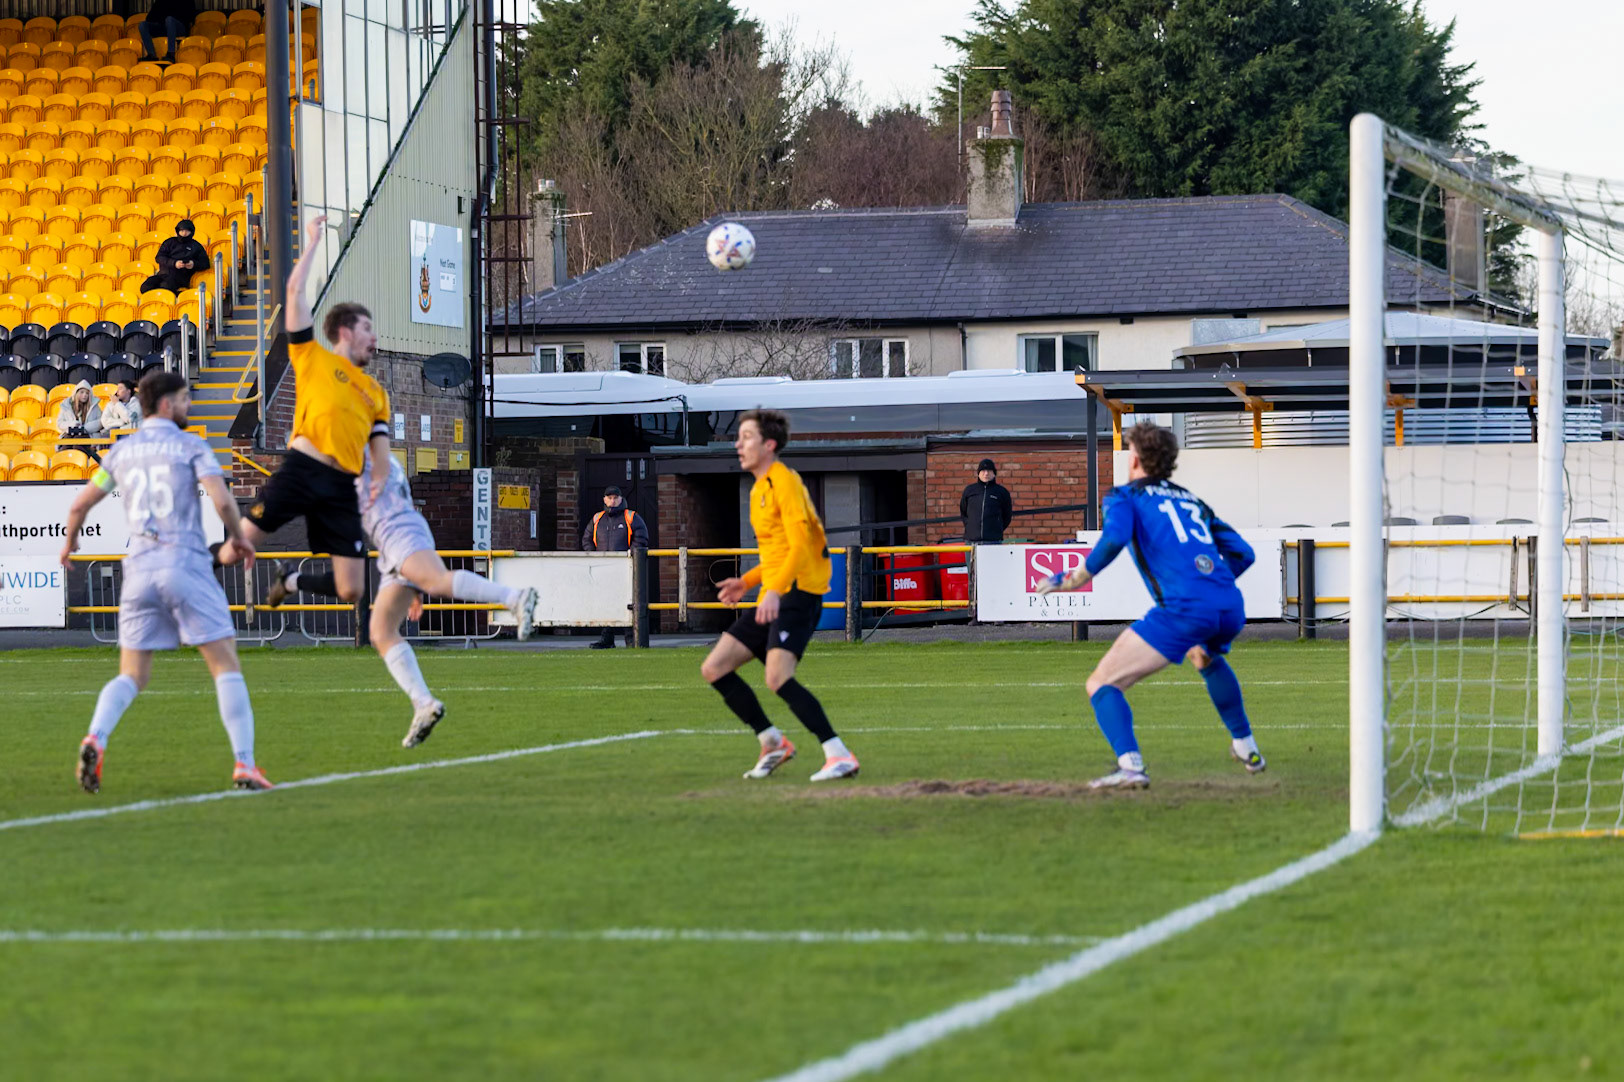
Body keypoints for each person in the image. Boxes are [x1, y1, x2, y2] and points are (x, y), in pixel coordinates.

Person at [59, 370, 273, 794]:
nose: (188, 405)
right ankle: (245, 765)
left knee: (132, 675)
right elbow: (221, 497)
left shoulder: (123, 450)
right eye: (184, 399)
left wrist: (68, 543)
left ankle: (96, 737)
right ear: (165, 404)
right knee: (225, 665)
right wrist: (238, 539)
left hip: (138, 570)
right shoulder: (191, 445)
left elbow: (81, 503)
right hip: (186, 563)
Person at [1036, 421, 1264, 789]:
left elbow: (1113, 538)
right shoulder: (1192, 500)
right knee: (1203, 656)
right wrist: (1210, 585)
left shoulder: (1125, 497)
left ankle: (1130, 767)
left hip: (1187, 608)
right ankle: (1247, 747)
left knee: (1102, 683)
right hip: (1229, 605)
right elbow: (1244, 553)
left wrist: (1074, 577)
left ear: (1136, 459)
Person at [267, 450, 540, 747]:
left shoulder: (353, 454)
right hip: (395, 539)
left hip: (397, 533)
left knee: (437, 581)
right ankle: (423, 703)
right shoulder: (370, 455)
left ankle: (514, 597)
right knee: (381, 631)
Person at [218, 214, 389, 607]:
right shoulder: (312, 356)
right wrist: (312, 241)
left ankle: (291, 582)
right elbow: (294, 291)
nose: (374, 337)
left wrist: (376, 485)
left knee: (353, 589)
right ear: (345, 332)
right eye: (368, 328)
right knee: (235, 549)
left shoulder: (376, 391)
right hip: (302, 470)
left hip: (342, 487)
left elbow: (379, 452)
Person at [700, 409, 859, 782]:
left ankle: (838, 754)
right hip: (776, 591)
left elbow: (802, 545)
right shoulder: (759, 489)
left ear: (769, 445)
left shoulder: (783, 483)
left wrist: (772, 589)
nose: (738, 444)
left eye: (747, 437)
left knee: (776, 678)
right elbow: (777, 553)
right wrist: (748, 581)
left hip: (799, 592)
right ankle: (772, 741)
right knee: (714, 667)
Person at [581, 484, 648, 648]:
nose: (612, 501)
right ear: (604, 499)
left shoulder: (631, 517)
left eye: (615, 498)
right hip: (603, 569)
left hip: (627, 568)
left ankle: (631, 639)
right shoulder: (597, 519)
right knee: (606, 603)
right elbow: (586, 540)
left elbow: (641, 538)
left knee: (629, 603)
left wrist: (630, 557)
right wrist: (595, 558)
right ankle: (607, 639)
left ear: (621, 499)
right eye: (609, 498)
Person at [140, 219, 209, 293]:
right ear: (178, 231)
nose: (184, 233)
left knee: (165, 286)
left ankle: (177, 296)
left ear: (191, 232)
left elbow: (205, 263)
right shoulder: (169, 242)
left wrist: (193, 264)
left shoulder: (196, 246)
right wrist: (174, 263)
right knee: (145, 287)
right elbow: (159, 257)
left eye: (187, 231)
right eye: (182, 231)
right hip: (163, 274)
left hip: (181, 277)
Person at [960, 458, 1013, 543]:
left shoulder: (1001, 492)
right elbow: (963, 512)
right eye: (983, 471)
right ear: (978, 473)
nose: (986, 473)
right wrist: (969, 526)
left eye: (989, 471)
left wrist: (996, 529)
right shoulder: (969, 490)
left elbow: (1007, 515)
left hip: (993, 541)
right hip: (971, 540)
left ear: (994, 473)